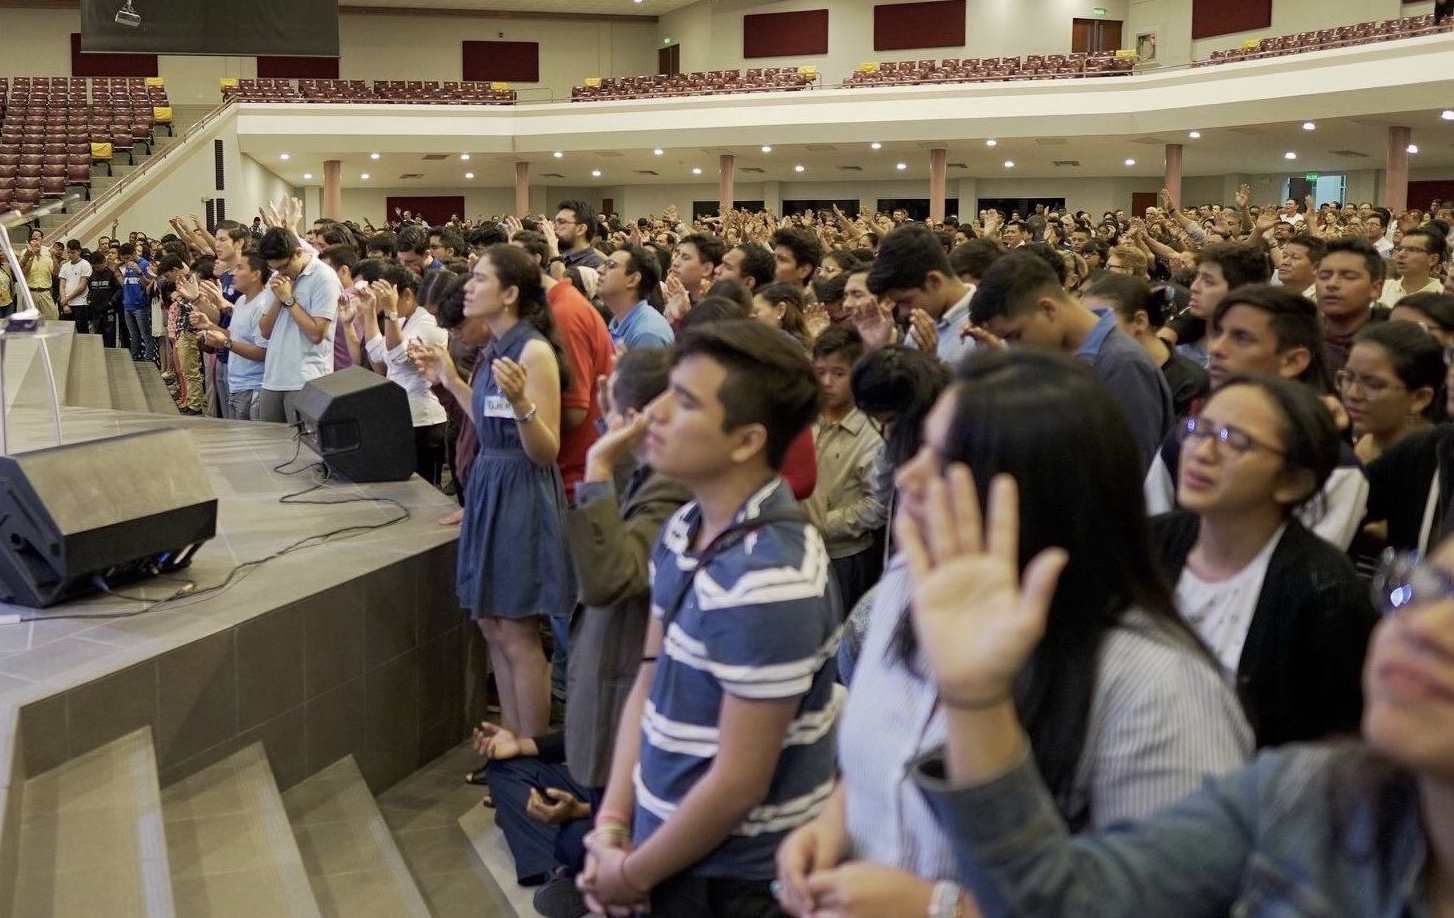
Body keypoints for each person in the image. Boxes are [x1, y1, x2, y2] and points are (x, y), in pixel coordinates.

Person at [777, 348, 1250, 918]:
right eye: (920, 446)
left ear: (1033, 492)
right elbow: (888, 753)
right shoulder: (912, 582)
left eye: (947, 459)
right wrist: (834, 823)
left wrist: (941, 907)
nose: (909, 475)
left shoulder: (1160, 686)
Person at [897, 472, 1454, 918]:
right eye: (1422, 589)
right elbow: (1060, 899)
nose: (1424, 628)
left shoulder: (1301, 590)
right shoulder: (1306, 794)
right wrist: (977, 698)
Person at [580, 321, 838, 917]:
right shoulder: (684, 526)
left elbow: (738, 784)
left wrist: (632, 873)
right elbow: (649, 674)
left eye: (687, 401)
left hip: (730, 875)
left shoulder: (770, 578)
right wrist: (614, 825)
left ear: (747, 441)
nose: (657, 412)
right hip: (658, 836)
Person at [1152, 376, 1378, 748]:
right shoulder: (1151, 542)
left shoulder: (1326, 594)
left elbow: (1337, 749)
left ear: (1291, 482)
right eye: (1199, 428)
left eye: (1234, 440)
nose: (1201, 451)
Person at [412, 244, 574, 739]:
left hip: (522, 490)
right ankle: (509, 742)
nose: (468, 287)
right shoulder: (496, 348)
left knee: (519, 631)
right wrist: (450, 379)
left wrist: (524, 401)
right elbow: (488, 422)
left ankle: (528, 752)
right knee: (493, 626)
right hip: (490, 483)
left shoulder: (534, 351)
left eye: (480, 280)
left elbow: (545, 449)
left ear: (509, 294)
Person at [971, 251, 1175, 473]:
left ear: (1048, 309)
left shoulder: (1122, 363)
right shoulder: (1056, 359)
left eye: (1015, 336)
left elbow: (1129, 472)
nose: (1015, 349)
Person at [804, 325, 886, 613]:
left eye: (838, 374)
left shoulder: (871, 432)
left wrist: (824, 523)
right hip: (804, 544)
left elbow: (877, 504)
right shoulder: (807, 415)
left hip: (844, 556)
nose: (826, 382)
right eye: (820, 371)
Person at [1092, 273, 1209, 418]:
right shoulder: (1101, 367)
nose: (1090, 333)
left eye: (1101, 322)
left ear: (1140, 322)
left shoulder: (1191, 384)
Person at [256, 227, 341, 423]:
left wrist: (288, 298)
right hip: (273, 378)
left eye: (284, 267)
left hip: (306, 379)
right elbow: (265, 331)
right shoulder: (277, 278)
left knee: (302, 447)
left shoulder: (324, 278)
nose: (280, 272)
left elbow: (317, 333)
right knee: (268, 445)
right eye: (275, 268)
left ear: (299, 253)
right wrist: (278, 299)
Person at [1340, 321, 1444, 466]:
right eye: (1348, 377)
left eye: (1373, 385)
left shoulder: (1436, 462)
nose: (1352, 394)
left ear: (1419, 398)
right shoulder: (1366, 444)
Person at [192, 251, 270, 420]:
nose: (233, 273)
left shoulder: (263, 304)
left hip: (253, 386)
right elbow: (235, 336)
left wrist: (226, 342)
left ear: (256, 274)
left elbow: (262, 352)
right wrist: (210, 325)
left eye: (239, 268)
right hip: (237, 383)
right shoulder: (241, 301)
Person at [57, 240, 92, 330]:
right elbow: (62, 285)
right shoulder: (65, 266)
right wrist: (65, 303)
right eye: (68, 252)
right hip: (66, 303)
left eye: (73, 252)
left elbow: (82, 287)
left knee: (82, 331)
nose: (70, 255)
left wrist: (66, 299)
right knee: (66, 332)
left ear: (79, 251)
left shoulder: (85, 264)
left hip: (80, 303)